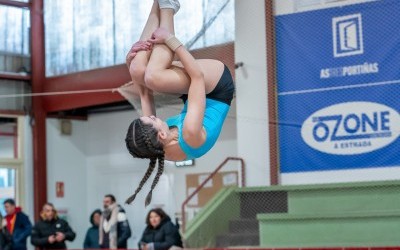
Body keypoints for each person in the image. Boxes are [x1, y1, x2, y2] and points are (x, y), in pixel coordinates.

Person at [123, 0, 235, 206]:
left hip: (194, 99)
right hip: (216, 87)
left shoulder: (155, 144)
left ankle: (158, 4)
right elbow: (198, 77)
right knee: (154, 76)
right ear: (162, 134)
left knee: (140, 70)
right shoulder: (190, 134)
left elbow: (145, 94)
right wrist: (171, 39)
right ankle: (168, 7)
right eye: (154, 118)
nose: (154, 115)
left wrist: (130, 61)